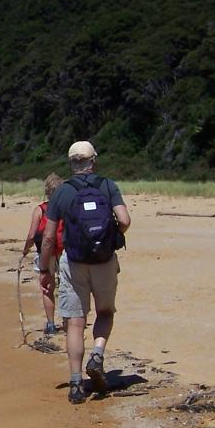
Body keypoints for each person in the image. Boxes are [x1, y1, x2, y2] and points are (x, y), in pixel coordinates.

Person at [39, 141, 130, 404]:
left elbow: (47, 238)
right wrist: (110, 235)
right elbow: (124, 221)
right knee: (105, 312)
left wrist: (45, 270)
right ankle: (98, 354)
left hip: (74, 262)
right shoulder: (108, 185)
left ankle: (77, 382)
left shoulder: (62, 192)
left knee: (75, 322)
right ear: (94, 161)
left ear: (71, 163)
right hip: (104, 261)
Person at [20, 173, 62, 336]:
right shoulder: (67, 208)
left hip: (45, 253)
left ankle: (51, 324)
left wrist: (25, 250)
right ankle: (69, 321)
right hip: (64, 251)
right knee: (67, 287)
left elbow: (31, 235)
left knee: (47, 288)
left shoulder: (40, 209)